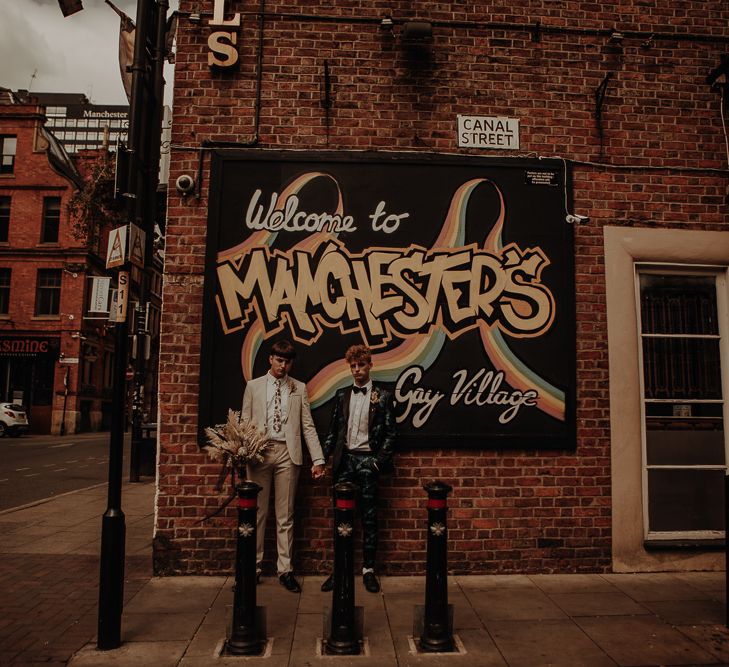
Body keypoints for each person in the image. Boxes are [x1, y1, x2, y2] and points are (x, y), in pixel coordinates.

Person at [242, 339, 325, 593]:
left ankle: (285, 570)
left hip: (289, 454)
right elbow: (245, 420)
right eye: (279, 360)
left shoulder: (298, 388)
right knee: (257, 514)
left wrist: (318, 458)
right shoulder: (253, 387)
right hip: (260, 454)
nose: (283, 365)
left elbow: (307, 425)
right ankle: (251, 569)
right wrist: (244, 449)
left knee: (285, 516)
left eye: (287, 361)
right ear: (270, 359)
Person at [320, 344, 397, 593]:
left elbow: (390, 434)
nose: (357, 370)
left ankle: (368, 571)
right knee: (341, 518)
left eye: (361, 365)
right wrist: (322, 459)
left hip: (367, 462)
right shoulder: (342, 395)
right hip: (345, 462)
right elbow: (333, 432)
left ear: (369, 365)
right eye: (353, 366)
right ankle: (340, 569)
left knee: (369, 518)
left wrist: (377, 462)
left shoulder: (383, 396)